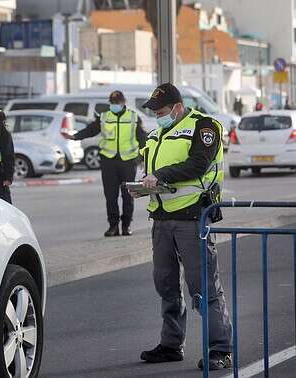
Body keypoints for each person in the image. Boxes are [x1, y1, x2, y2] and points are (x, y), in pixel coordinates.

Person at [129, 83, 233, 370]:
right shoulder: (157, 134)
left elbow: (199, 164)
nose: (157, 116)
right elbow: (150, 171)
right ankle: (171, 344)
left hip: (192, 218)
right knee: (166, 285)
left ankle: (221, 349)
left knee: (203, 287)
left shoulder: (204, 127)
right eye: (154, 112)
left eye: (161, 111)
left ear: (177, 106)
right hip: (161, 219)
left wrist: (160, 174)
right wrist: (140, 186)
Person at [65, 90, 146, 236]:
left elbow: (142, 138)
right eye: (112, 103)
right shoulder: (104, 117)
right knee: (110, 196)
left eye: (117, 103)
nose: (115, 105)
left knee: (128, 195)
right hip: (108, 161)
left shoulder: (134, 117)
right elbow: (91, 130)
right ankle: (113, 226)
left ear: (123, 103)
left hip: (128, 161)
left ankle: (126, 225)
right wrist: (75, 136)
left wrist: (144, 158)